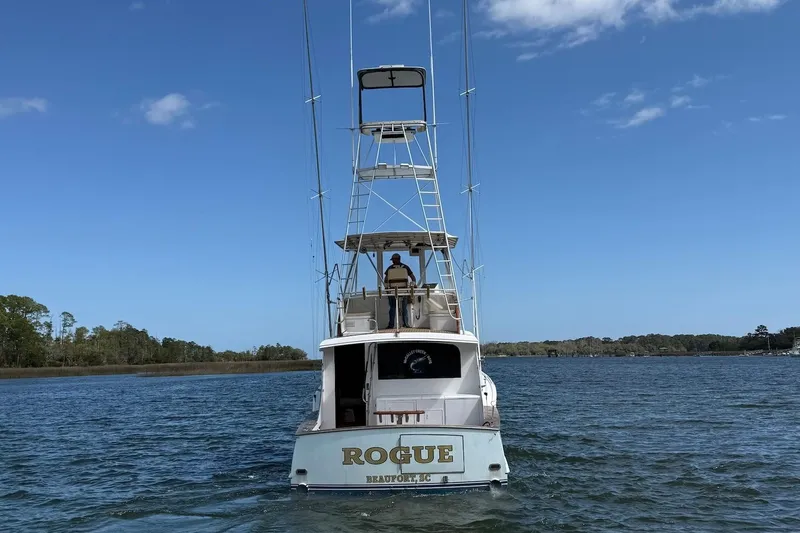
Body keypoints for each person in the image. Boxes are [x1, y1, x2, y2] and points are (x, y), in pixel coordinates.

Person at [384, 253, 416, 329]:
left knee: (392, 307)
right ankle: (406, 324)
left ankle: (391, 325)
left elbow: (385, 280)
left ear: (398, 259)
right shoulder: (406, 267)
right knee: (404, 308)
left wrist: (387, 288)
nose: (392, 261)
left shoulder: (390, 268)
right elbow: (413, 278)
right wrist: (413, 284)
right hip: (404, 290)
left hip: (392, 291)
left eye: (393, 260)